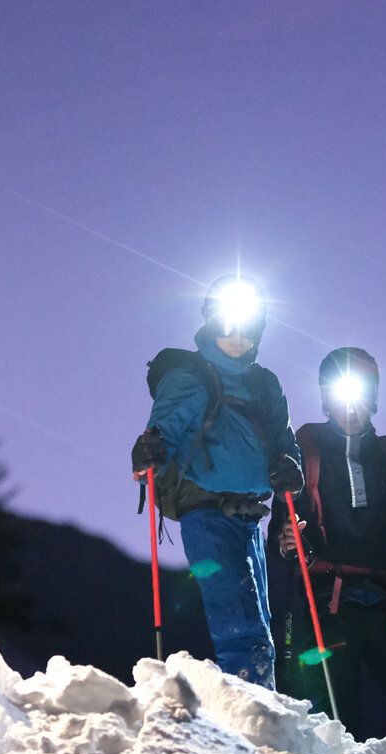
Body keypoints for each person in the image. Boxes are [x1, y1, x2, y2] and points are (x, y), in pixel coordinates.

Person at [269, 347, 386, 754]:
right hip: (324, 604)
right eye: (340, 394)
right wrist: (285, 543)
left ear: (373, 397)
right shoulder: (305, 446)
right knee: (334, 718)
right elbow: (283, 521)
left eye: (359, 393)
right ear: (325, 398)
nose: (350, 405)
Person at [132, 276, 303, 688]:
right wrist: (149, 453)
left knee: (259, 627)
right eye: (227, 324)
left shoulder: (265, 383)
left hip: (250, 518)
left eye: (248, 326)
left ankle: (260, 714)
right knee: (242, 629)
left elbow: (284, 441)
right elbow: (161, 434)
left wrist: (288, 467)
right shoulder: (189, 376)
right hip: (205, 515)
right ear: (210, 321)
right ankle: (255, 722)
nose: (237, 336)